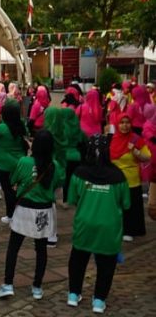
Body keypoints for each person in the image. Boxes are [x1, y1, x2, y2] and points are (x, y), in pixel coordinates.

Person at [0, 130, 64, 300]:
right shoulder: (54, 165)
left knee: (14, 248)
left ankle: (8, 284)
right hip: (44, 210)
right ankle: (37, 287)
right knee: (41, 249)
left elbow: (13, 180)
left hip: (24, 210)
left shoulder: (24, 161)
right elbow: (57, 184)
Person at [67, 134, 130, 313]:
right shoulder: (118, 175)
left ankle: (73, 294)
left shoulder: (79, 173)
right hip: (109, 228)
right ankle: (99, 300)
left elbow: (72, 199)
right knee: (106, 265)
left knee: (78, 260)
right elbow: (126, 203)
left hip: (84, 224)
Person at [109, 113, 150, 242]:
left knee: (130, 207)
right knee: (115, 207)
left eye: (127, 122)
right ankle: (115, 229)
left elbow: (147, 157)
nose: (125, 125)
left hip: (131, 180)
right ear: (117, 124)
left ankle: (130, 230)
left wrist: (135, 151)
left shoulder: (135, 139)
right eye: (122, 122)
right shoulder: (111, 139)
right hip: (114, 180)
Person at [0, 100, 28, 224]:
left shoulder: (2, 127)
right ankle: (21, 213)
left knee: (7, 190)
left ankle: (10, 215)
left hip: (4, 165)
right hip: (20, 163)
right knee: (19, 189)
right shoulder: (22, 125)